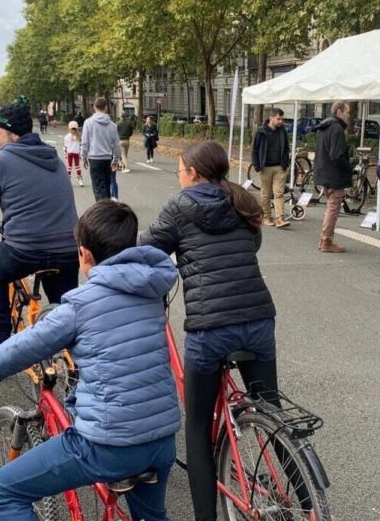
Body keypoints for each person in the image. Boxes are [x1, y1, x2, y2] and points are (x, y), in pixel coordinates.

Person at [0, 201, 179, 521]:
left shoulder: (79, 306)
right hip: (161, 439)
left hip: (108, 445)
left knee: (2, 491)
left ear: (84, 255)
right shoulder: (152, 290)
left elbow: (17, 351)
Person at [139, 141, 278, 521]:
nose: (179, 174)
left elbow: (144, 248)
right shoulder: (244, 202)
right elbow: (253, 245)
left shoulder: (180, 206)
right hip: (259, 320)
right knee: (273, 412)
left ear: (193, 172)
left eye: (180, 168)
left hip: (210, 328)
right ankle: (299, 491)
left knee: (198, 430)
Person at [0, 102, 79, 350]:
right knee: (65, 312)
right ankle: (73, 360)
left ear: (15, 134)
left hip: (26, 249)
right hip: (69, 249)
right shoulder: (53, 158)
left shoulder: (3, 160)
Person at [313, 101, 354, 253]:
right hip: (334, 174)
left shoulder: (323, 127)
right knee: (333, 208)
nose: (349, 116)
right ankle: (326, 240)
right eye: (347, 112)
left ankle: (324, 238)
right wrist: (349, 168)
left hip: (323, 172)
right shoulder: (336, 129)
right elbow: (337, 155)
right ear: (339, 112)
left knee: (330, 206)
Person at [250, 108, 291, 229]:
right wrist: (257, 166)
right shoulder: (261, 132)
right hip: (265, 167)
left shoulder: (282, 131)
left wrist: (285, 164)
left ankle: (280, 219)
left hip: (279, 167)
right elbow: (254, 150)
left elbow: (286, 148)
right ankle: (267, 217)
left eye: (282, 119)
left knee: (279, 193)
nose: (281, 121)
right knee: (266, 194)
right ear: (271, 118)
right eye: (278, 118)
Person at [81, 97, 122, 202]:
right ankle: (107, 210)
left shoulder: (88, 123)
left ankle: (102, 212)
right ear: (106, 108)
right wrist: (116, 159)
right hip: (107, 159)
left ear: (94, 107)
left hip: (94, 158)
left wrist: (83, 157)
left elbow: (85, 142)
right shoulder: (112, 125)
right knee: (107, 187)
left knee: (98, 188)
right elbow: (117, 144)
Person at [64, 120, 83, 186]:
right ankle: (79, 180)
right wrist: (81, 154)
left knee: (71, 167)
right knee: (74, 166)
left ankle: (70, 180)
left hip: (71, 153)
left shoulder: (67, 137)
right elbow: (81, 146)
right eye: (73, 129)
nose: (73, 130)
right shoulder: (78, 137)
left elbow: (65, 146)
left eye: (74, 129)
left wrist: (65, 154)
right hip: (74, 153)